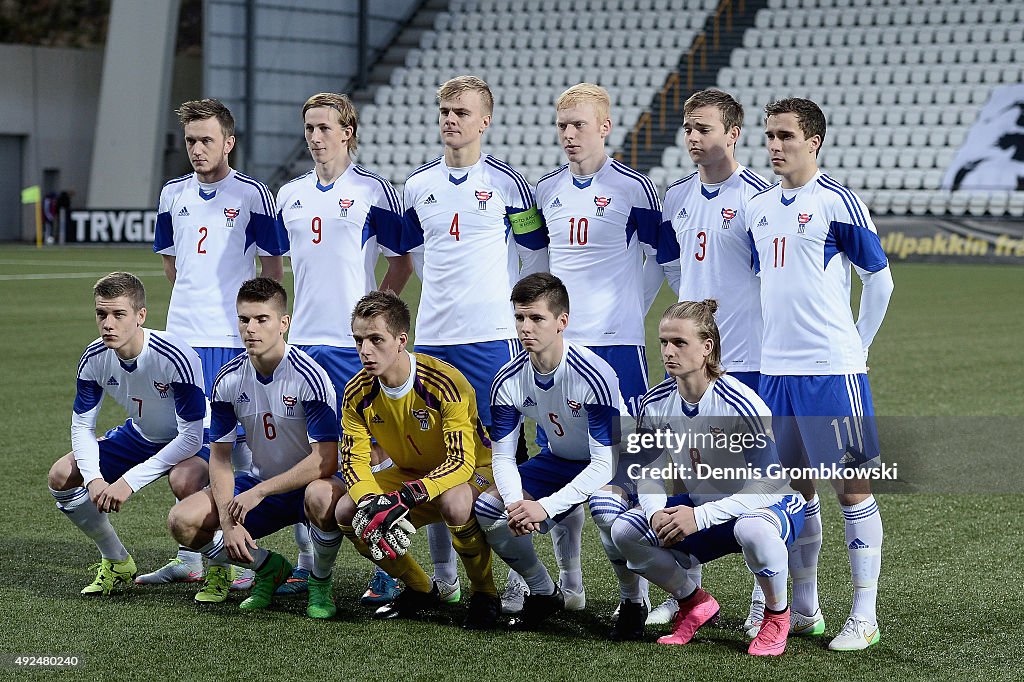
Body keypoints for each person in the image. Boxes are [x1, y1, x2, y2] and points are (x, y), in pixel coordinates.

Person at [745, 97, 894, 651]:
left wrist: (857, 346)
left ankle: (865, 612)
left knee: (852, 489)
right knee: (790, 489)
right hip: (775, 370)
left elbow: (879, 281)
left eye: (786, 136)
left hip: (832, 370)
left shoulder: (838, 202)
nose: (776, 146)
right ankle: (804, 608)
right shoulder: (760, 209)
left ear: (814, 142)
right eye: (770, 136)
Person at [150, 98, 314, 594]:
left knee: (247, 452)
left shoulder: (253, 195)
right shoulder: (171, 194)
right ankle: (195, 559)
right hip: (181, 343)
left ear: (229, 142)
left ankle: (246, 555)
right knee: (190, 460)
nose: (198, 149)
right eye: (191, 141)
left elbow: (271, 270)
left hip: (230, 341)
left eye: (207, 140)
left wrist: (257, 331)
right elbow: (172, 265)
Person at [400, 75, 547, 608]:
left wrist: (503, 309)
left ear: (484, 120)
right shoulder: (417, 186)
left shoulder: (511, 183)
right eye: (444, 110)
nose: (450, 120)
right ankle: (444, 575)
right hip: (435, 338)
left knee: (504, 450)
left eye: (461, 112)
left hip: (492, 340)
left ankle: (516, 571)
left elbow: (535, 256)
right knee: (435, 452)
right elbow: (413, 257)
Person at [530, 82, 671, 620]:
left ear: (605, 126)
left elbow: (662, 259)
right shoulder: (545, 190)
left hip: (618, 350)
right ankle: (570, 583)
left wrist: (630, 308)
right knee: (564, 461)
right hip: (560, 350)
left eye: (579, 125)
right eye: (562, 125)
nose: (569, 134)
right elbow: (536, 265)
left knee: (629, 469)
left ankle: (638, 595)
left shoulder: (635, 188)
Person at [276, 91, 413, 605]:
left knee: (377, 453)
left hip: (355, 349)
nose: (315, 137)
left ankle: (386, 564)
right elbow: (276, 266)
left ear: (347, 132)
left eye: (324, 128)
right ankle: (308, 562)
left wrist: (375, 320)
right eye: (308, 128)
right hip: (305, 346)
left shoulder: (374, 191)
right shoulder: (289, 195)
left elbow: (400, 261)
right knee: (307, 453)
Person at [610, 300, 805, 657]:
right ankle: (694, 602)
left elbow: (768, 484)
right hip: (704, 506)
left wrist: (698, 517)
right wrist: (655, 511)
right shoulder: (655, 403)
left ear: (707, 348)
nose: (668, 351)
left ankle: (777, 616)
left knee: (753, 530)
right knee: (625, 531)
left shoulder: (739, 404)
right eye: (664, 342)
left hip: (771, 506)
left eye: (679, 343)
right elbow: (649, 472)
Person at [304, 290, 500, 629]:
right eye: (359, 340)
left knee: (455, 503)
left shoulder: (445, 383)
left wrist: (402, 498)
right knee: (349, 511)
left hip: (475, 472)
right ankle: (421, 588)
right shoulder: (356, 392)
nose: (365, 350)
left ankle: (485, 594)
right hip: (410, 473)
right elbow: (353, 462)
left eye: (375, 339)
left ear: (401, 341)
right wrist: (371, 501)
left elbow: (460, 462)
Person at [476, 273, 649, 637]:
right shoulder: (507, 379)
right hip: (562, 459)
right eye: (520, 318)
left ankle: (633, 601)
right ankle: (544, 591)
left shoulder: (593, 374)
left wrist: (545, 506)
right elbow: (503, 458)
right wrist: (515, 503)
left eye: (536, 318)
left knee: (604, 508)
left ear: (562, 322)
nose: (526, 328)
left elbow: (604, 463)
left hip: (623, 459)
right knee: (489, 509)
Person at [656, 88, 772, 630]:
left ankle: (761, 595)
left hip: (745, 361)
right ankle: (685, 590)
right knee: (681, 471)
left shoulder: (758, 195)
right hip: (691, 363)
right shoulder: (676, 195)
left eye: (704, 128)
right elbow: (676, 269)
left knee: (751, 483)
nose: (694, 138)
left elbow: (773, 278)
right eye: (688, 128)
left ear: (733, 134)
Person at [167, 278, 340, 615]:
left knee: (320, 496)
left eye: (262, 319)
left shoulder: (310, 376)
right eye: (244, 319)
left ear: (283, 323)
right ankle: (267, 566)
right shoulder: (228, 379)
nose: (251, 329)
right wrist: (229, 523)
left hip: (312, 484)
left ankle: (320, 581)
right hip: (260, 485)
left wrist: (259, 492)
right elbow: (219, 458)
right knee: (182, 521)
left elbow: (325, 460)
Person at [47, 272, 208, 595]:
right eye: (101, 314)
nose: (108, 324)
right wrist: (93, 479)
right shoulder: (94, 357)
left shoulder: (175, 355)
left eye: (119, 314)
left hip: (196, 436)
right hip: (141, 434)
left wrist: (127, 482)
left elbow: (190, 435)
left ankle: (216, 565)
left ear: (140, 316)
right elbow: (82, 425)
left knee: (184, 480)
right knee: (62, 475)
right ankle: (117, 560)